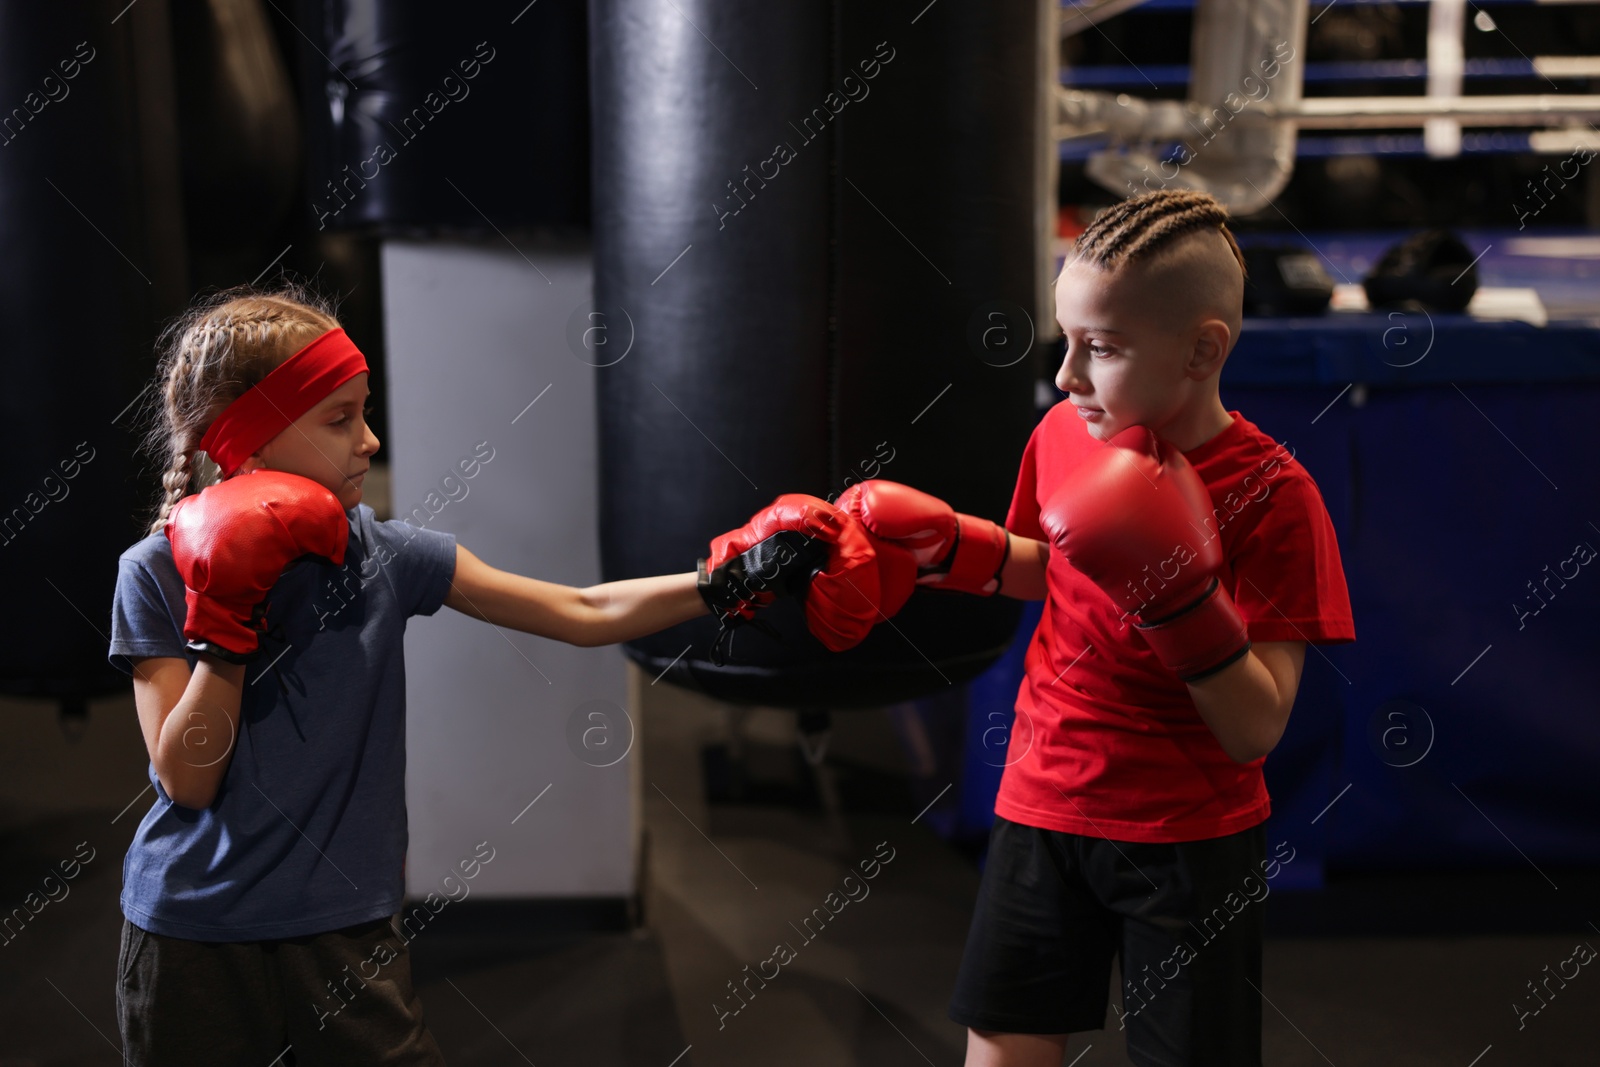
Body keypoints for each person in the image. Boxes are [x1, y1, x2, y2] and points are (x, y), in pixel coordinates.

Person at [106, 283, 874, 1066]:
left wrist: (727, 581)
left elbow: (582, 609)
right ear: (252, 443)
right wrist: (224, 618)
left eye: (365, 410)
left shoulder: (383, 556)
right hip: (194, 930)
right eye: (339, 419)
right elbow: (188, 780)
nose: (369, 440)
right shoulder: (156, 573)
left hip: (343, 926)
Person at [838, 189, 1357, 1066]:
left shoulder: (1276, 496)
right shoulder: (1063, 432)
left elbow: (1255, 724)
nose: (1068, 374)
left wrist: (1178, 599)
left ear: (1203, 350)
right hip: (1044, 797)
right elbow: (1049, 566)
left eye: (1101, 348)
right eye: (1066, 340)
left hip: (1189, 833)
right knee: (1002, 1049)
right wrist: (945, 549)